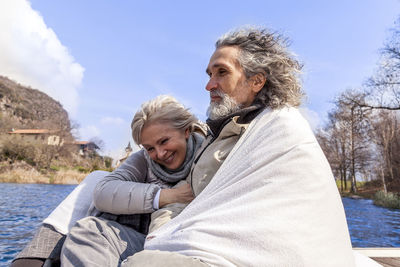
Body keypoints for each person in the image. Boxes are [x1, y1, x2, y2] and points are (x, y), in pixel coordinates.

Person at [60, 26, 356, 266]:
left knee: (146, 264)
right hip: (175, 234)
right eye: (209, 74)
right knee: (89, 232)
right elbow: (122, 193)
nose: (209, 84)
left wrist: (165, 238)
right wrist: (165, 214)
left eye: (221, 72)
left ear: (256, 81)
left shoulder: (273, 129)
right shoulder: (219, 136)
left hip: (219, 247)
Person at [11, 95, 205, 267]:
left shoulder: (211, 151)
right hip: (144, 238)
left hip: (195, 243)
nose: (160, 154)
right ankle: (34, 258)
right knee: (90, 215)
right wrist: (165, 196)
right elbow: (104, 191)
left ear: (186, 131)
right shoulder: (142, 160)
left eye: (164, 141)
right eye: (150, 148)